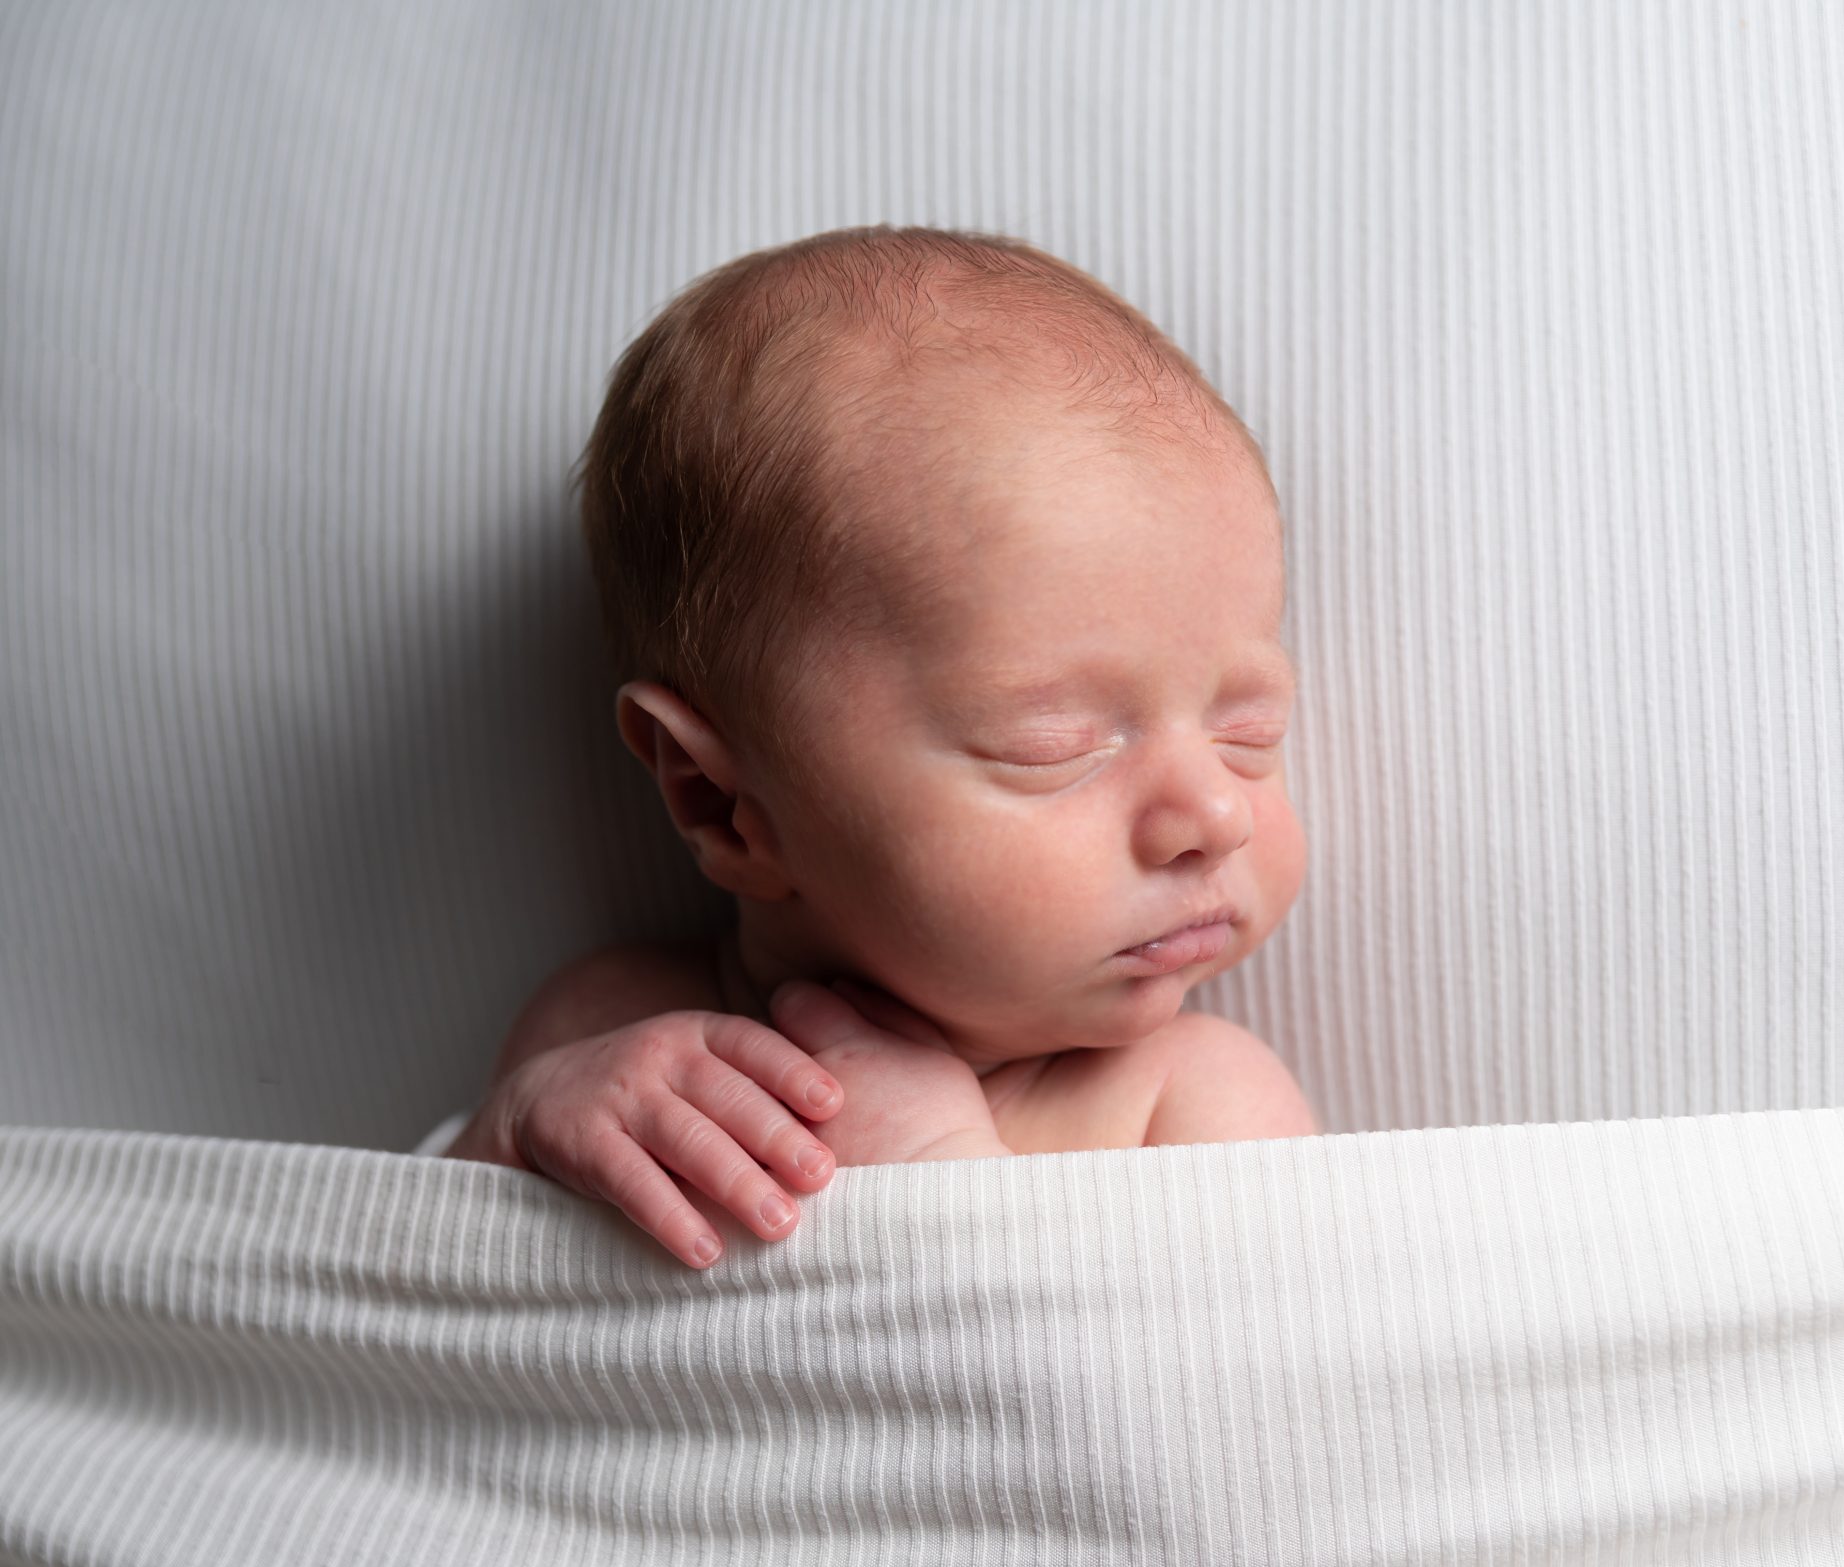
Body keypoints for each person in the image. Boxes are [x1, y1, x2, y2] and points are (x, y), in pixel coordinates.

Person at [437, 225, 1317, 1269]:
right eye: (1056, 743)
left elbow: (1236, 1410)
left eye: (1247, 731)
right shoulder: (609, 1031)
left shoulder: (1193, 1103)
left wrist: (940, 1170)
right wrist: (506, 1137)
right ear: (719, 800)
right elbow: (425, 1345)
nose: (1216, 813)